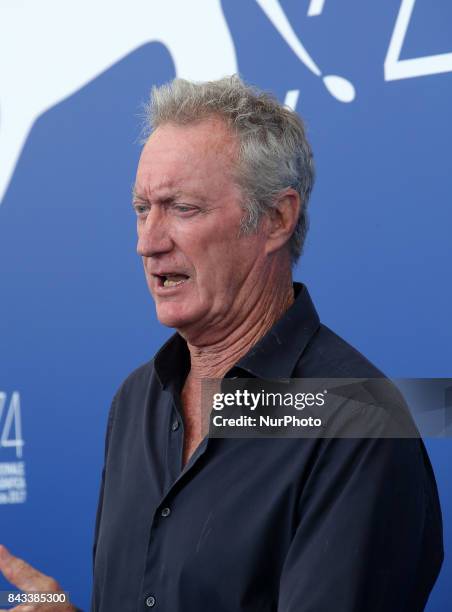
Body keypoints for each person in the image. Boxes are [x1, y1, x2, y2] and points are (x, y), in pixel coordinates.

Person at [0, 76, 443, 611]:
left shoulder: (353, 421)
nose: (147, 242)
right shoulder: (138, 400)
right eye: (142, 209)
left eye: (182, 208)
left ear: (277, 218)